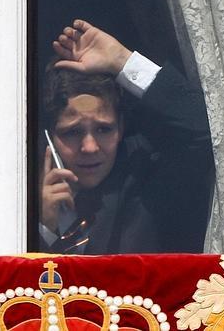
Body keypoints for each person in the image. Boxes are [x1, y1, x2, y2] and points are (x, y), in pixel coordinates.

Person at [40, 19, 214, 254]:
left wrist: (122, 60)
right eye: (73, 132)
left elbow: (205, 131)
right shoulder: (17, 192)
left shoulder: (145, 180)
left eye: (104, 129)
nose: (90, 147)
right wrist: (43, 229)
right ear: (49, 136)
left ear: (121, 127)